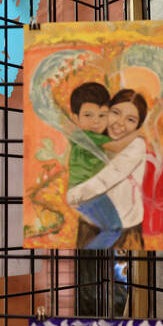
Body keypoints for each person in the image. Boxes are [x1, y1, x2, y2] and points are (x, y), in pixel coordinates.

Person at [66, 89, 150, 251]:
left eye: (130, 120)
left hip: (125, 228)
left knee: (124, 272)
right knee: (86, 271)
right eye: (115, 113)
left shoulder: (135, 145)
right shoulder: (95, 137)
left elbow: (106, 178)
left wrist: (75, 195)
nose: (119, 123)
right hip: (90, 224)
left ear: (138, 125)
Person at [66, 82, 112, 251]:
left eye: (102, 115)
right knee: (112, 230)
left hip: (86, 195)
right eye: (88, 115)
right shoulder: (90, 138)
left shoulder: (80, 136)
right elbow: (117, 148)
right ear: (75, 118)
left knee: (93, 230)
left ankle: (88, 252)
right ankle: (90, 253)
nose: (96, 121)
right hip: (87, 195)